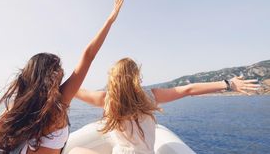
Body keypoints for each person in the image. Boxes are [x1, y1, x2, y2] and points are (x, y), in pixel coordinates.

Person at [0, 0, 124, 154]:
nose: (61, 73)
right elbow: (88, 56)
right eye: (58, 71)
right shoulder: (59, 104)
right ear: (51, 77)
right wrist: (110, 20)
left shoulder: (14, 111)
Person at [71, 57, 259, 154]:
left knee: (75, 151)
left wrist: (55, 85)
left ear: (112, 79)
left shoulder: (106, 99)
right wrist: (228, 83)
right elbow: (189, 89)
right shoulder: (149, 97)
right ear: (136, 77)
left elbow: (77, 91)